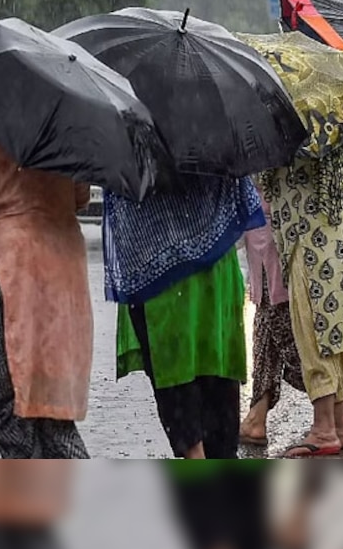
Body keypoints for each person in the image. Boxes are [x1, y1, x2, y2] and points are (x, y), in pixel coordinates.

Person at [0, 128, 93, 458]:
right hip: (64, 279)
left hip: (13, 278)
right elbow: (81, 198)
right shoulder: (66, 140)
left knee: (0, 402)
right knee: (52, 404)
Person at [107, 175, 263, 460]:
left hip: (157, 273)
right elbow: (244, 202)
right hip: (215, 266)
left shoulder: (131, 139)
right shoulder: (218, 134)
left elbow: (116, 201)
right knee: (216, 374)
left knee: (176, 376)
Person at [260, 129, 343, 457]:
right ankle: (340, 423)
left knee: (316, 333)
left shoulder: (297, 118)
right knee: (341, 335)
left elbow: (267, 173)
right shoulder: (341, 105)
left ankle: (324, 427)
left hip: (313, 235)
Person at [238, 188, 305, 448]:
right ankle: (258, 414)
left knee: (283, 326)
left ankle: (334, 408)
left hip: (276, 233)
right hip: (269, 231)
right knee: (266, 327)